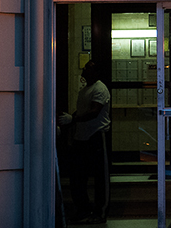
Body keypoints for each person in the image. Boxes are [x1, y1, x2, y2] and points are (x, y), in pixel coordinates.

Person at [58, 60, 111, 225]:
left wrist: (72, 119)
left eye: (89, 67)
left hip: (96, 136)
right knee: (77, 178)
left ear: (96, 72)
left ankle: (100, 213)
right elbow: (83, 111)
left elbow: (94, 112)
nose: (85, 68)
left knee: (100, 178)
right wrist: (72, 120)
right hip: (82, 137)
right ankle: (83, 210)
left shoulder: (100, 89)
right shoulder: (85, 90)